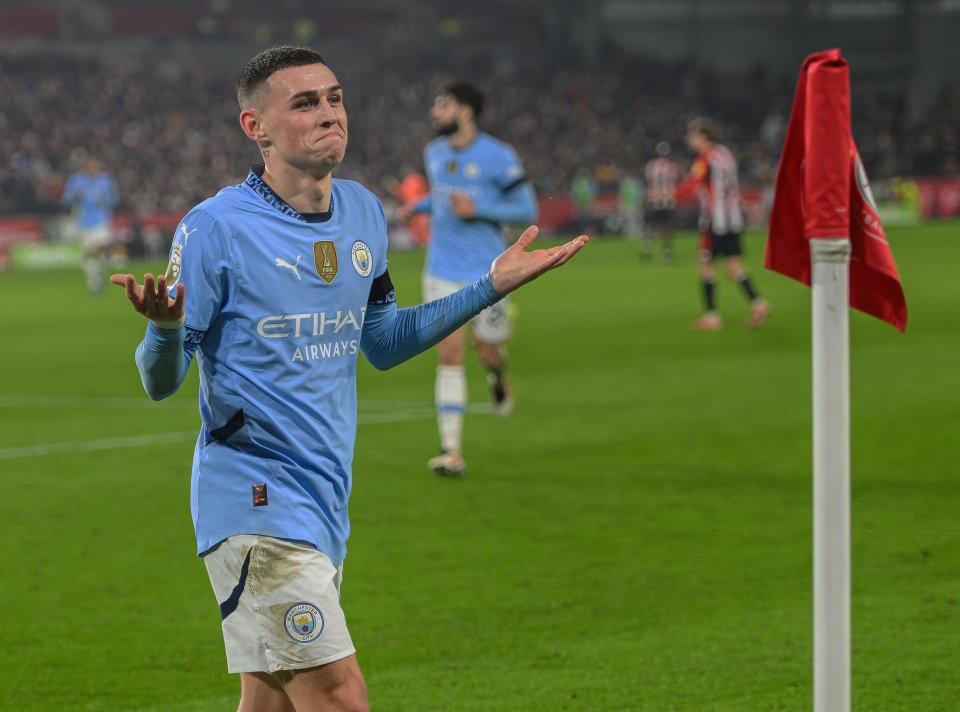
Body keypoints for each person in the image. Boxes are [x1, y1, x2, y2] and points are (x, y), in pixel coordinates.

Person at [110, 46, 586, 712]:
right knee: (338, 695)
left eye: (334, 98)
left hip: (324, 499)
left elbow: (385, 343)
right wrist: (163, 331)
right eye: (304, 103)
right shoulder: (216, 227)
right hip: (252, 498)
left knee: (270, 700)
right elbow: (161, 383)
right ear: (258, 128)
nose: (329, 114)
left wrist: (489, 286)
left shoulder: (363, 212)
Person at [397, 80, 539, 478]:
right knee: (449, 354)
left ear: (465, 111)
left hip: (489, 273)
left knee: (489, 352)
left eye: (442, 104)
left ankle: (498, 378)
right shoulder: (434, 152)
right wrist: (418, 205)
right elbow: (444, 195)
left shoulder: (498, 155)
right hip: (441, 271)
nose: (434, 111)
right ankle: (452, 451)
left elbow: (526, 207)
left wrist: (479, 208)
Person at [677, 118, 770, 330]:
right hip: (733, 217)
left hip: (714, 219)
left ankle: (712, 317)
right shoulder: (725, 154)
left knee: (706, 266)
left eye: (692, 136)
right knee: (733, 265)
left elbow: (693, 185)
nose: (690, 140)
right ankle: (759, 303)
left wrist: (668, 194)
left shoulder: (705, 158)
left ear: (702, 137)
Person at [61, 155, 119, 293]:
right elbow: (66, 200)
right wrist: (75, 196)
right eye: (90, 165)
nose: (93, 168)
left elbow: (115, 200)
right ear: (85, 166)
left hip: (102, 221)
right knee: (88, 255)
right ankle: (94, 282)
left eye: (95, 165)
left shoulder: (105, 180)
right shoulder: (75, 180)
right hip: (83, 222)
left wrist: (105, 200)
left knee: (101, 249)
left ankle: (99, 274)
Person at [642, 141, 682, 262]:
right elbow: (677, 181)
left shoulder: (650, 165)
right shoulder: (672, 166)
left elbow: (648, 180)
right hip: (668, 199)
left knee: (651, 225)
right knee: (666, 226)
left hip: (653, 199)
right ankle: (666, 251)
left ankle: (646, 248)